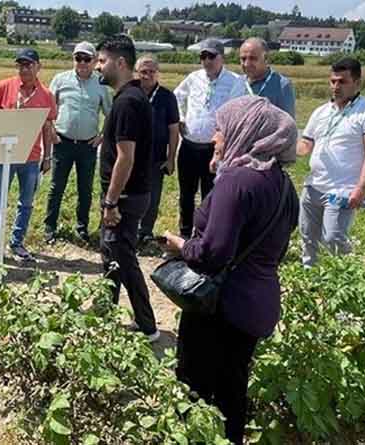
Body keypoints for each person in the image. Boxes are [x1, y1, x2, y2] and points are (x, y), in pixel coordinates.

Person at [162, 95, 300, 445]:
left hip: (220, 307)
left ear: (246, 131)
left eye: (221, 129)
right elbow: (277, 248)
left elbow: (211, 254)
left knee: (196, 390)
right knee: (231, 392)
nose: (215, 138)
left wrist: (180, 245)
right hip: (256, 303)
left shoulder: (237, 181)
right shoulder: (284, 186)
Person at [94, 35, 158, 340]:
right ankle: (105, 313)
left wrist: (110, 202)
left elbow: (125, 157)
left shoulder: (128, 103)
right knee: (112, 255)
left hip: (125, 197)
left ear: (120, 63)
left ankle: (147, 325)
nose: (97, 67)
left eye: (102, 60)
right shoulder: (132, 98)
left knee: (123, 258)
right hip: (127, 195)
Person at [297, 58, 365, 266]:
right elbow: (305, 144)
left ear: (357, 82)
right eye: (332, 81)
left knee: (333, 238)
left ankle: (349, 277)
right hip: (313, 186)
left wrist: (361, 188)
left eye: (342, 82)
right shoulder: (321, 112)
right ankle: (311, 280)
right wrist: (284, 149)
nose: (335, 87)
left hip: (342, 189)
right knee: (308, 237)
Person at [0, 48, 57, 264]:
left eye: (28, 64)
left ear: (38, 67)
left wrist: (47, 157)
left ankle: (17, 243)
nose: (24, 69)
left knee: (26, 202)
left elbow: (48, 128)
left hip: (31, 158)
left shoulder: (46, 95)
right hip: (2, 156)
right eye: (20, 64)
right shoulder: (4, 87)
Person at [174, 39, 246, 238]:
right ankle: (185, 233)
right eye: (202, 57)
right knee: (186, 194)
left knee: (211, 195)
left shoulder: (235, 81)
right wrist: (180, 117)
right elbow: (177, 95)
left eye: (211, 56)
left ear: (222, 57)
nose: (206, 61)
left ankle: (206, 236)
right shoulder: (193, 77)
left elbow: (235, 112)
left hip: (213, 149)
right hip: (189, 146)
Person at [43, 41, 112, 244]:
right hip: (62, 142)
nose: (81, 62)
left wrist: (102, 136)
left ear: (94, 61)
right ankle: (50, 227)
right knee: (56, 187)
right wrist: (52, 131)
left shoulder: (101, 84)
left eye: (86, 59)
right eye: (78, 58)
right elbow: (48, 108)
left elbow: (111, 113)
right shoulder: (60, 80)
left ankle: (81, 227)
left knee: (85, 188)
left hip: (87, 146)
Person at [133, 55, 180, 250]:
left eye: (151, 71)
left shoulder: (167, 97)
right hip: (131, 156)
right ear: (137, 73)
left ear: (157, 73)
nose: (147, 75)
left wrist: (170, 158)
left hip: (156, 157)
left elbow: (174, 129)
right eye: (143, 71)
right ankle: (128, 230)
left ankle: (145, 232)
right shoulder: (130, 92)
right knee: (130, 194)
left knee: (152, 196)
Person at [239, 37, 296, 117]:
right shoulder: (237, 82)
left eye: (253, 58)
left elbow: (287, 125)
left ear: (266, 58)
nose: (246, 64)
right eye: (243, 59)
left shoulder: (282, 85)